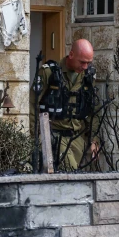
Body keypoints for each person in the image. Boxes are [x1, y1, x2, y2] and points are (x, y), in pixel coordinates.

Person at [33, 39, 100, 171]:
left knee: (77, 175)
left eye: (88, 62)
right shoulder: (49, 73)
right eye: (82, 62)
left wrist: (94, 140)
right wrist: (32, 138)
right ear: (71, 54)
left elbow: (93, 110)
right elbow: (32, 105)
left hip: (77, 137)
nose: (85, 66)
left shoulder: (88, 76)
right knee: (72, 173)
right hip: (55, 135)